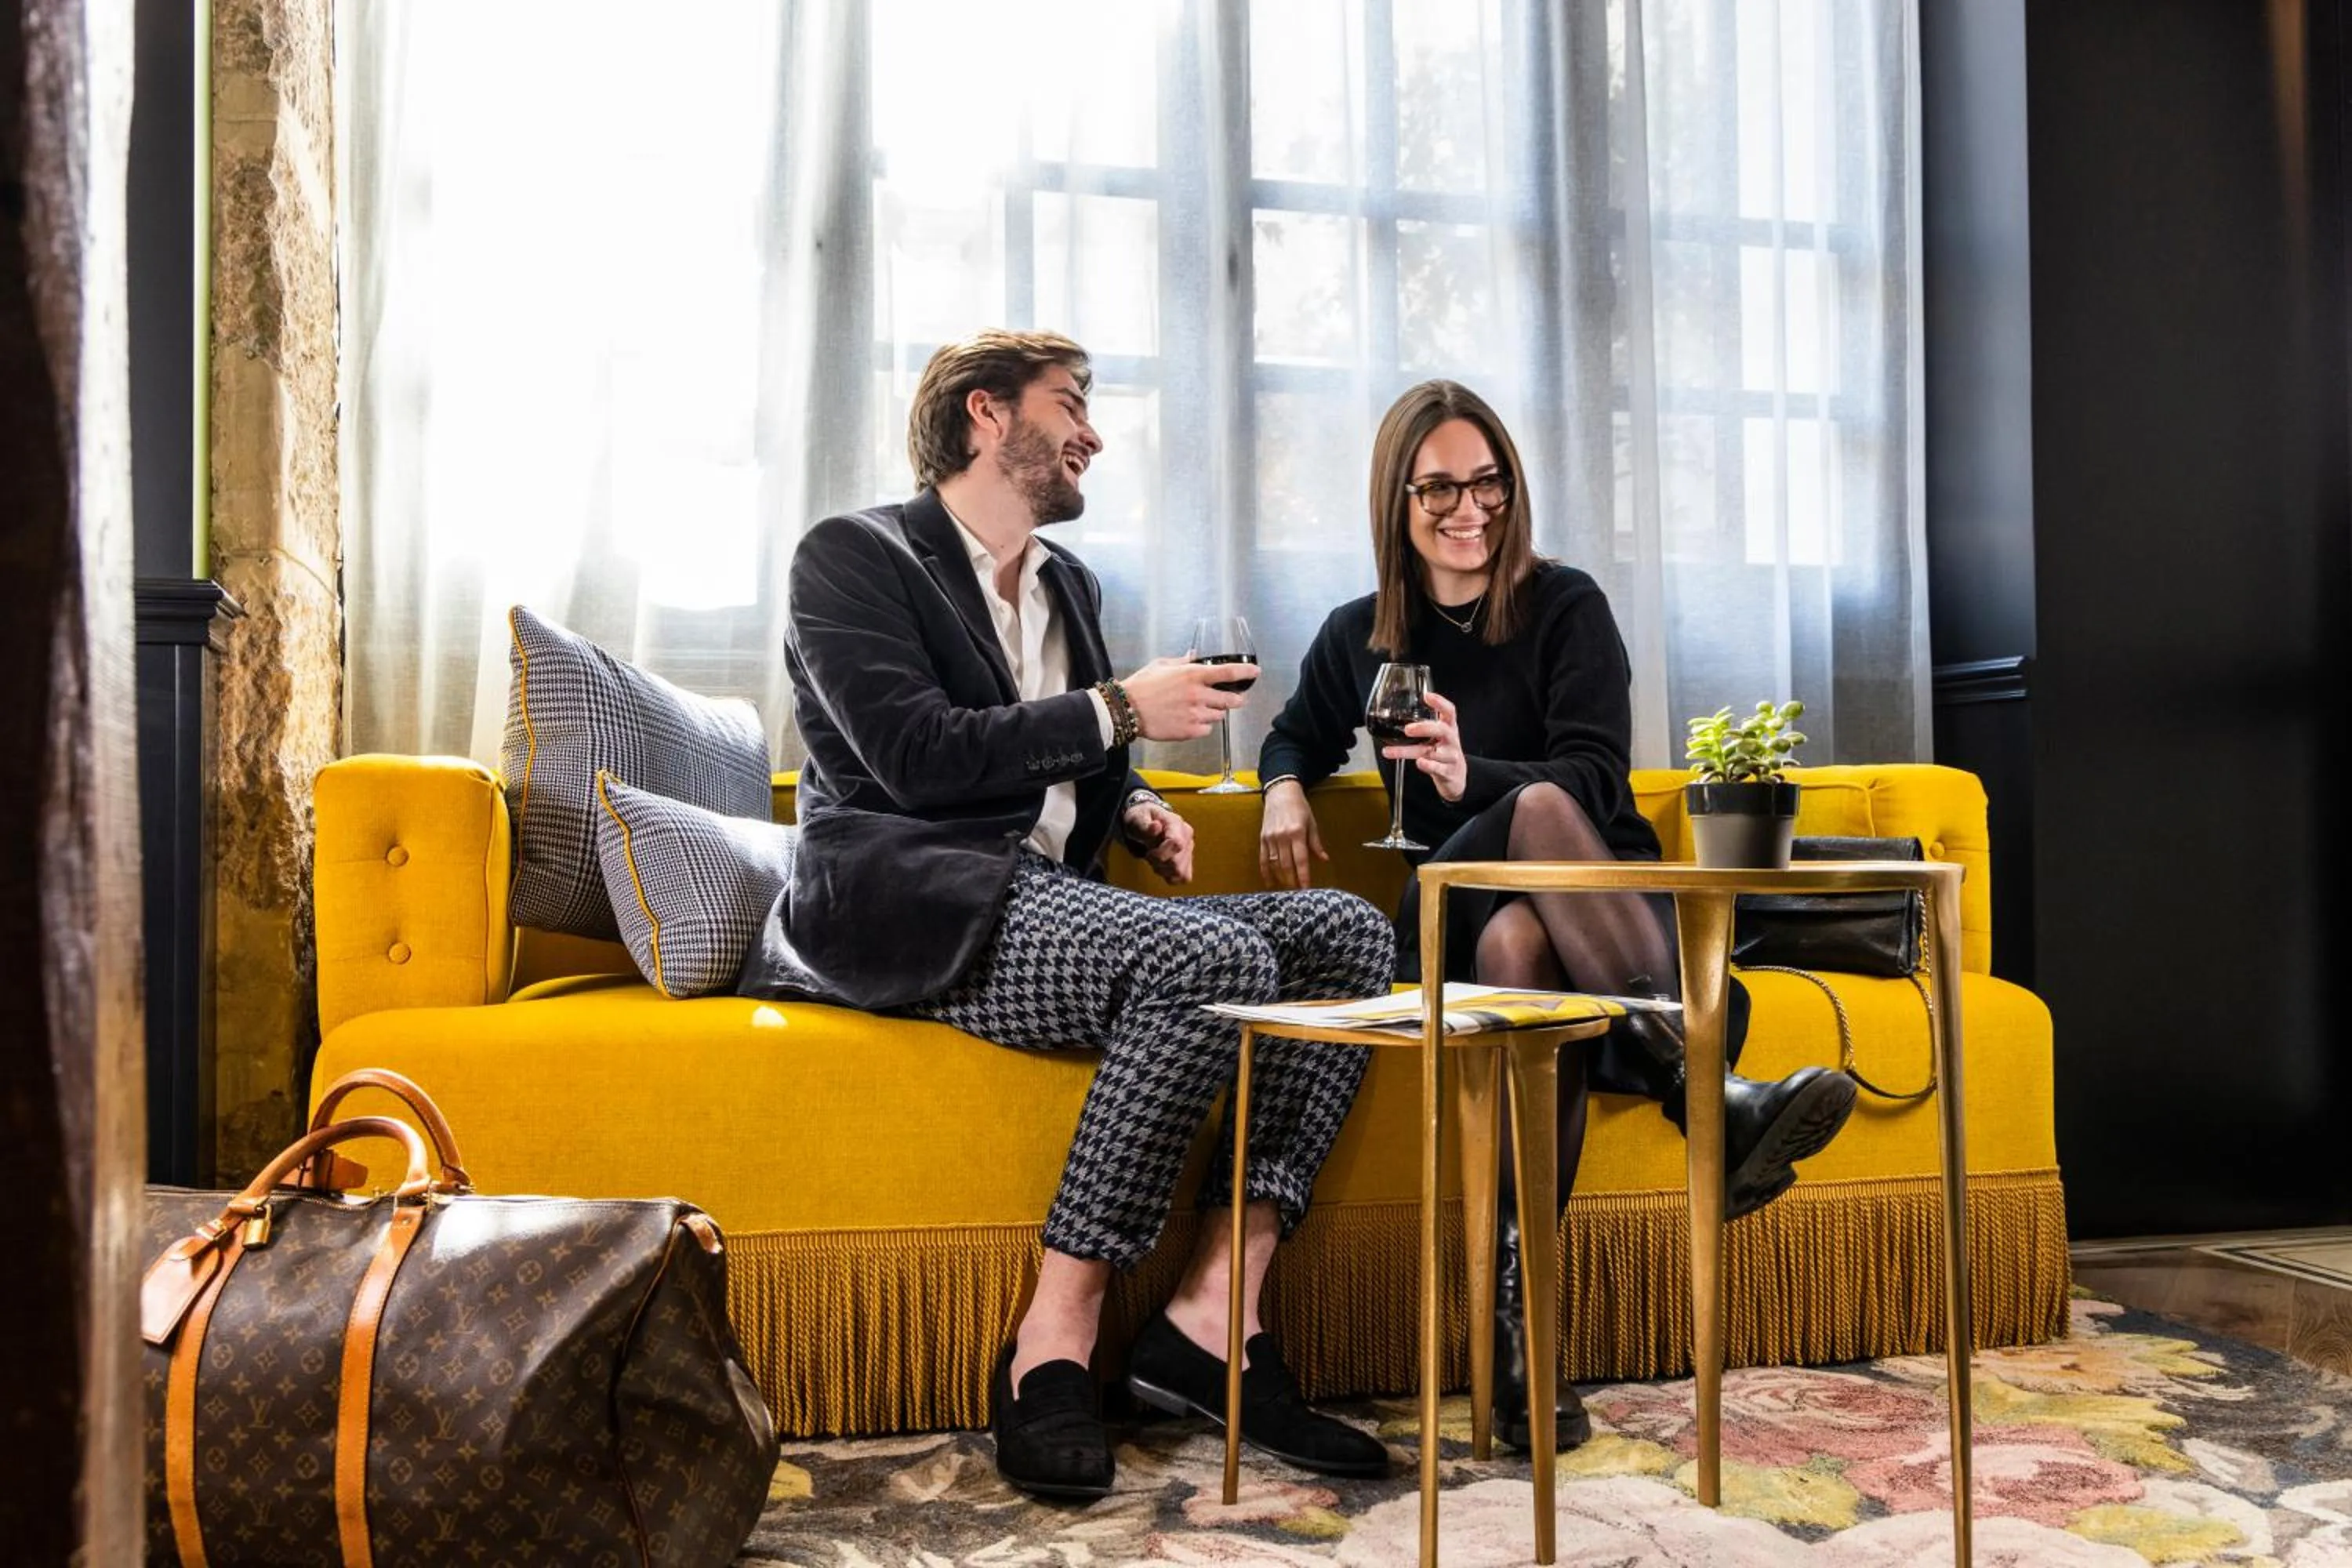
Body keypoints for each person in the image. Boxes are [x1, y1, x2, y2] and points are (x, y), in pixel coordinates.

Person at [738, 330, 1396, 1501]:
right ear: (986, 414)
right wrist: (1118, 711)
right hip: (911, 903)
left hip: (1046, 900)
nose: (1092, 432)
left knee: (1350, 934)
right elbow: (915, 754)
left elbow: (1071, 760)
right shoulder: (852, 555)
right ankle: (1053, 1338)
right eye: (1070, 404)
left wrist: (1132, 804)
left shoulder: (1068, 585)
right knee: (1211, 958)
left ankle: (1212, 1316)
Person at [1255, 379, 1859, 1453]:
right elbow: (1293, 733)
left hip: (1594, 913)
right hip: (1448, 897)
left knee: (1522, 938)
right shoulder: (1361, 634)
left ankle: (1517, 1347)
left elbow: (1593, 776)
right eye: (1438, 488)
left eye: (1487, 482)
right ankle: (1701, 1091)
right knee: (1510, 868)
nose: (1468, 508)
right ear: (1398, 499)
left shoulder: (1567, 605)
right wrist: (1283, 788)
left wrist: (1466, 773)